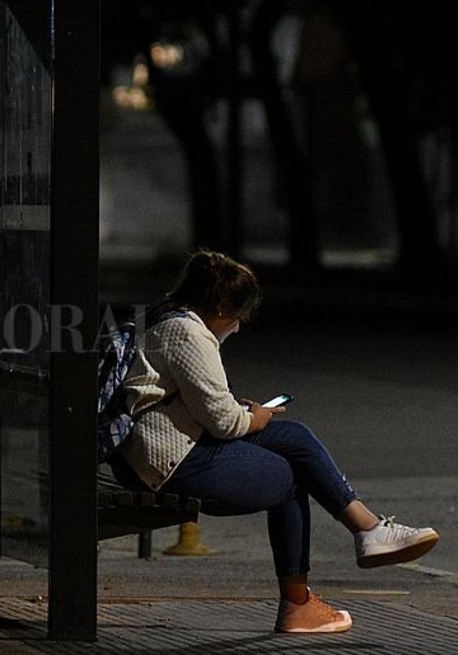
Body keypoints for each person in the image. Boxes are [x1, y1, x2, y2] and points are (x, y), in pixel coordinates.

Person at [108, 249, 439, 634]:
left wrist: (244, 412)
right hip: (167, 461)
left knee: (295, 438)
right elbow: (224, 422)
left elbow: (196, 401)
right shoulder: (187, 333)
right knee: (291, 475)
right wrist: (253, 417)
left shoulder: (167, 320)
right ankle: (303, 599)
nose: (237, 326)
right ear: (219, 306)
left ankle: (367, 532)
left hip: (162, 448)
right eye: (236, 316)